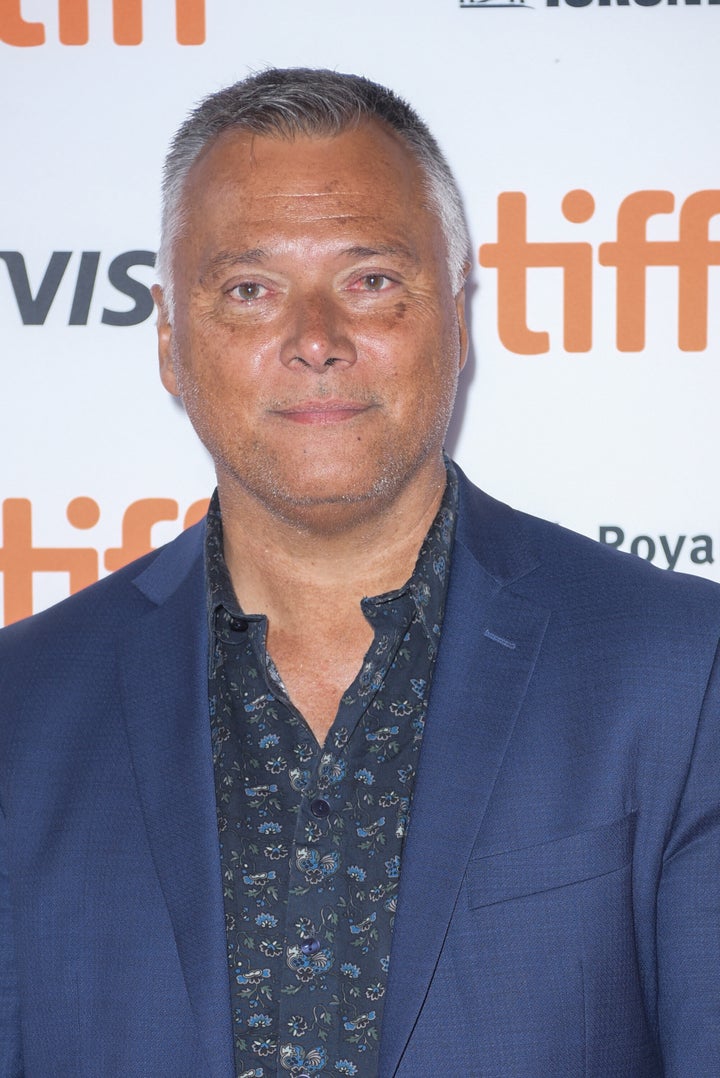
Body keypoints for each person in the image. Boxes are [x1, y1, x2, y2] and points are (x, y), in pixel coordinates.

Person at [1, 67, 719, 1078]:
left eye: (371, 281)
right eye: (250, 291)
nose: (316, 341)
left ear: (457, 320)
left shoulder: (678, 672)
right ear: (169, 341)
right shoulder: (23, 710)